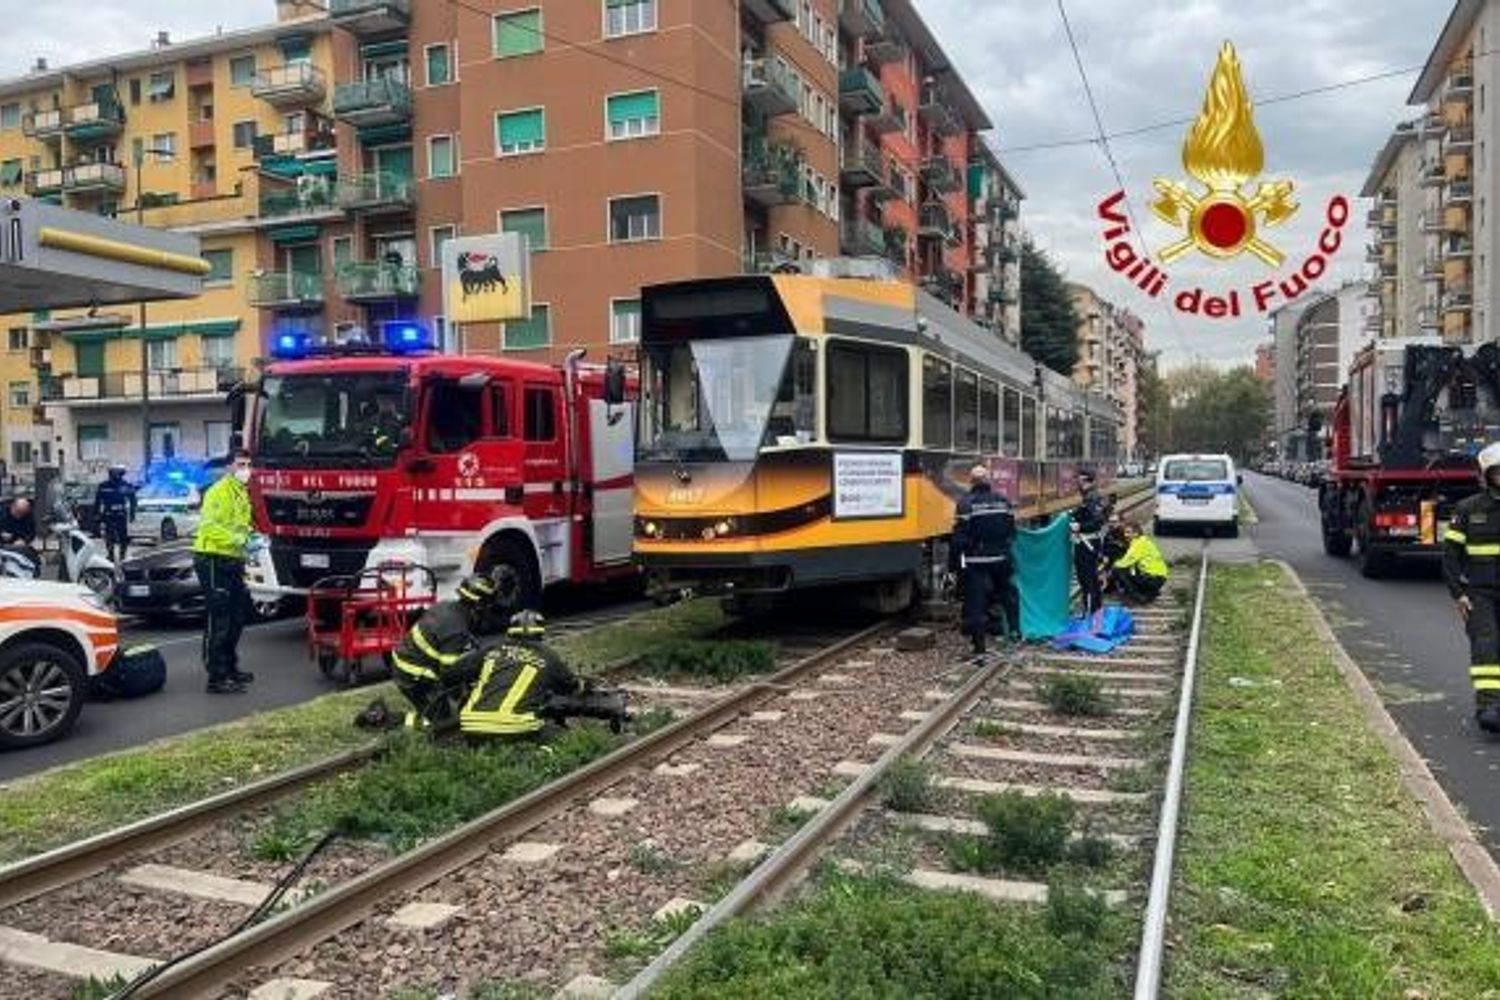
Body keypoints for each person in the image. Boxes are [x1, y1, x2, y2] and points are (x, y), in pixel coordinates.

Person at [391, 574, 512, 730]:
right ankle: (389, 719)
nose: (489, 610)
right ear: (479, 606)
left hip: (411, 664)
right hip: (414, 676)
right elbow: (450, 672)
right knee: (445, 724)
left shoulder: (448, 607)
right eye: (489, 605)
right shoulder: (455, 630)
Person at [458, 610, 591, 738]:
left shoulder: (492, 649)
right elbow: (570, 688)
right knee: (562, 734)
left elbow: (453, 673)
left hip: (472, 726)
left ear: (510, 632)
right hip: (517, 727)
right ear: (540, 633)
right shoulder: (548, 655)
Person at [1444, 441, 1500, 734]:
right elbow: (1450, 556)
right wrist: (1459, 594)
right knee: (1486, 645)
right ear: (1487, 475)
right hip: (1480, 593)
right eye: (1498, 471)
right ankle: (1489, 706)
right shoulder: (1468, 509)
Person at [192, 451, 256, 694]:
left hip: (233, 560)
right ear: (230, 467)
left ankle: (230, 667)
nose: (245, 469)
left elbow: (242, 525)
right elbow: (208, 527)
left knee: (237, 617)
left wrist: (252, 538)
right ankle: (216, 677)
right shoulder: (218, 491)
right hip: (212, 559)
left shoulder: (241, 492)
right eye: (241, 464)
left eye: (248, 465)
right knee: (220, 618)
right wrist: (239, 540)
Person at [949, 464, 1019, 658]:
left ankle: (979, 648)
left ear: (971, 482)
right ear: (989, 481)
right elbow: (1012, 531)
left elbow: (959, 539)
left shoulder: (966, 504)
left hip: (976, 561)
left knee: (976, 603)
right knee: (1008, 596)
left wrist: (954, 565)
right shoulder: (1003, 501)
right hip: (1001, 559)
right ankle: (1015, 633)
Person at [1071, 471, 1111, 617]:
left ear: (1091, 482)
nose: (1080, 484)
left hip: (1088, 542)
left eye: (1083, 481)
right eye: (1079, 481)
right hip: (1086, 541)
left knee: (1087, 577)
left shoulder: (1092, 497)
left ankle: (1090, 612)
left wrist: (1080, 526)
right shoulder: (1089, 497)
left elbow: (1097, 521)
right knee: (1088, 577)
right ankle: (1093, 610)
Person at [1110, 522, 1169, 604]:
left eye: (1128, 532)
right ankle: (1150, 593)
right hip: (1158, 577)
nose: (1125, 535)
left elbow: (1123, 563)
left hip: (1153, 578)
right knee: (1130, 570)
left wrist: (1109, 570)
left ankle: (1138, 598)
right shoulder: (1143, 541)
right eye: (1125, 532)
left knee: (1117, 570)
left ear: (1136, 533)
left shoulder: (1138, 544)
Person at [94, 465, 136, 563]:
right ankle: (111, 554)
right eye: (113, 473)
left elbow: (133, 499)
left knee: (122, 536)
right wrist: (96, 514)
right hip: (109, 514)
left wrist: (132, 513)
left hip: (120, 514)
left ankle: (122, 555)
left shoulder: (125, 485)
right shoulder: (104, 486)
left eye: (117, 473)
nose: (115, 475)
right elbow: (97, 501)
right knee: (109, 536)